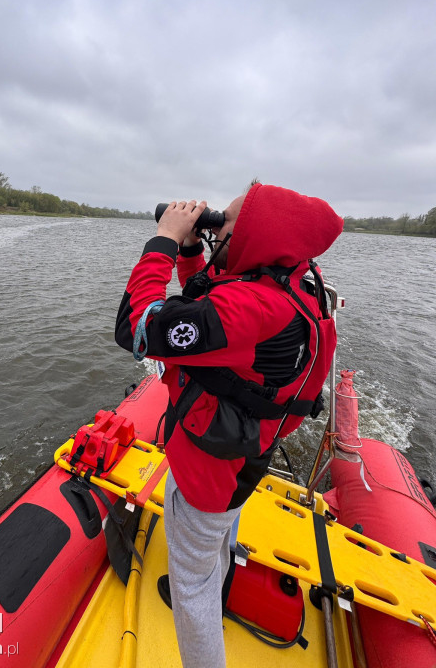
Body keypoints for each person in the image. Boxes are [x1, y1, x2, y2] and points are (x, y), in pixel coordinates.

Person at [115, 182, 343, 668]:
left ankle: (201, 621)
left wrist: (163, 241)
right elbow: (212, 303)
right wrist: (195, 250)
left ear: (259, 234)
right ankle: (213, 585)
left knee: (191, 585)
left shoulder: (253, 307)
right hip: (244, 456)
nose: (217, 225)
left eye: (227, 222)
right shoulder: (295, 280)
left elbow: (136, 329)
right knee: (217, 542)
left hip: (206, 472)